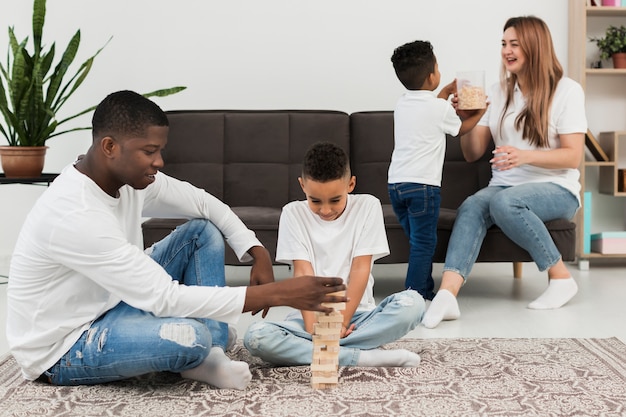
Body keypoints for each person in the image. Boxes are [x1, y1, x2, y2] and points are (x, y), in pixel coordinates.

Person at [6, 90, 347, 389]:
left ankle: (209, 351)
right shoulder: (76, 213)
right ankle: (205, 348)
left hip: (111, 302)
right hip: (65, 345)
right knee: (190, 337)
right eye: (150, 151)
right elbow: (163, 297)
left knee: (202, 231)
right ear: (110, 147)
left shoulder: (125, 180)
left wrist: (255, 250)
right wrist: (278, 292)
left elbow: (202, 202)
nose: (159, 162)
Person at [422, 16, 587, 329]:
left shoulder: (567, 91)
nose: (506, 50)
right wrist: (469, 118)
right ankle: (447, 295)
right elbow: (472, 153)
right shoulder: (497, 93)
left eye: (514, 44)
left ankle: (561, 277)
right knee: (472, 204)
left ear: (534, 47)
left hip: (556, 188)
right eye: (503, 44)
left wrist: (524, 156)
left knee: (504, 203)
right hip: (505, 187)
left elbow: (573, 156)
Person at [244, 141, 424, 367]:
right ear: (302, 186)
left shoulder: (368, 206)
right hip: (307, 319)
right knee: (256, 337)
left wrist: (341, 323)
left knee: (413, 304)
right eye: (315, 201)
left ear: (351, 184)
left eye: (335, 200)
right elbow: (302, 273)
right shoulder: (292, 213)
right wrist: (313, 329)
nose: (326, 210)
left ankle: (316, 352)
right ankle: (363, 357)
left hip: (357, 316)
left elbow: (360, 269)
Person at [388, 40, 486, 300]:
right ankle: (415, 294)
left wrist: (442, 92)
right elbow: (461, 129)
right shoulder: (439, 109)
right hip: (423, 188)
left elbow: (429, 109)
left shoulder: (402, 104)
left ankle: (424, 289)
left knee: (418, 241)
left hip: (397, 186)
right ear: (432, 74)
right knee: (423, 244)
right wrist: (481, 113)